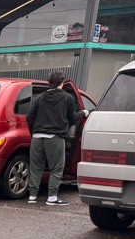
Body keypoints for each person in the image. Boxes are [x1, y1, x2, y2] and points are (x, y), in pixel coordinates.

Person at [26, 71, 89, 205]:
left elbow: (29, 117)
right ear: (62, 82)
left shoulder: (39, 98)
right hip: (55, 137)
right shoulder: (68, 98)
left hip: (37, 137)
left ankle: (32, 196)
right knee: (56, 167)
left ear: (49, 82)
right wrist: (83, 113)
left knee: (36, 167)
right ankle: (52, 197)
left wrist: (34, 132)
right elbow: (72, 118)